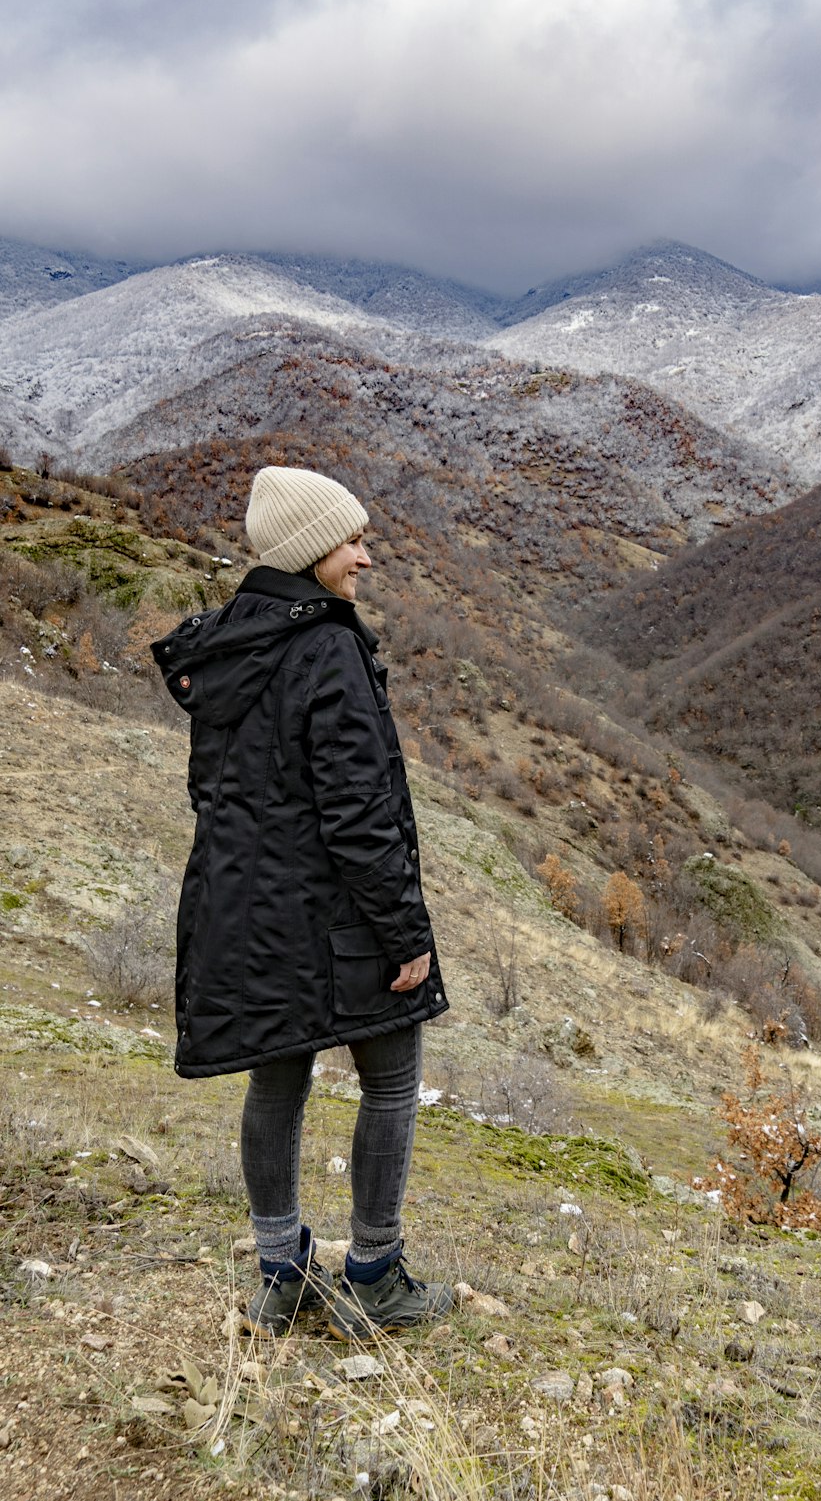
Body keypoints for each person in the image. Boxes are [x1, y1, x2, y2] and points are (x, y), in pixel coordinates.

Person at [152, 464, 452, 1339]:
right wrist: (404, 933)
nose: (364, 556)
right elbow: (360, 816)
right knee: (392, 1077)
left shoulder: (233, 642)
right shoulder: (327, 648)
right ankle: (374, 1272)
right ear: (312, 553)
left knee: (277, 1073)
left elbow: (217, 789)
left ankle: (281, 1274)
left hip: (247, 913)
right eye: (351, 541)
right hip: (333, 915)